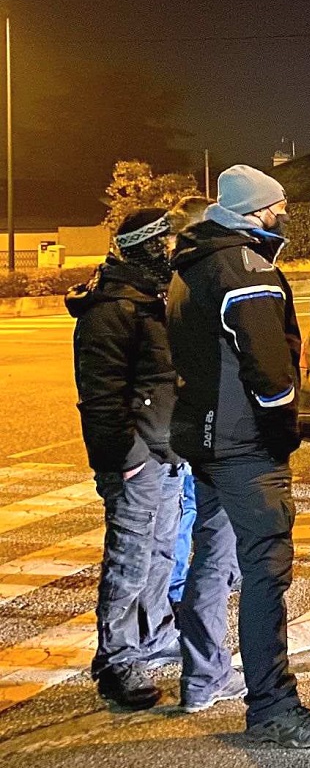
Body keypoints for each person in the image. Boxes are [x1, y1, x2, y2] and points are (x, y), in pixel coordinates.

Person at [169, 165, 310, 747]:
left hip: (202, 437)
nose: (285, 214)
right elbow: (271, 378)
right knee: (267, 571)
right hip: (243, 447)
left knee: (211, 559)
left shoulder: (189, 264)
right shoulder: (248, 272)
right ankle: (271, 706)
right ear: (259, 212)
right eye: (281, 205)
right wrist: (282, 433)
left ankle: (201, 675)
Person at [68, 208, 186, 711]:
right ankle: (117, 659)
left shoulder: (155, 299)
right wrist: (125, 459)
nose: (177, 249)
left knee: (161, 549)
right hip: (135, 457)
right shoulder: (111, 308)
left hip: (165, 449)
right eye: (170, 241)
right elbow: (100, 398)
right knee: (130, 558)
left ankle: (155, 632)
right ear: (150, 245)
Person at [164, 197, 214, 608]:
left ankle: (191, 584)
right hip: (175, 418)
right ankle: (177, 592)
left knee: (195, 504)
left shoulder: (186, 274)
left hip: (193, 412)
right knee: (183, 510)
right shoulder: (178, 278)